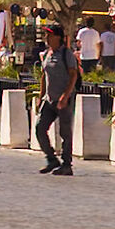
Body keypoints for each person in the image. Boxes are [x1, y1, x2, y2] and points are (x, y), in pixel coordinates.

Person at [36, 21, 77, 175]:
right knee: (40, 128)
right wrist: (41, 96)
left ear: (58, 37)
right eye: (46, 34)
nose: (47, 37)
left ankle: (67, 165)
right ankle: (51, 159)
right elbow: (43, 75)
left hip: (63, 99)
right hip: (49, 99)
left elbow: (73, 75)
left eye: (50, 35)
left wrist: (65, 96)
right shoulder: (47, 54)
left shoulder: (67, 54)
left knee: (65, 133)